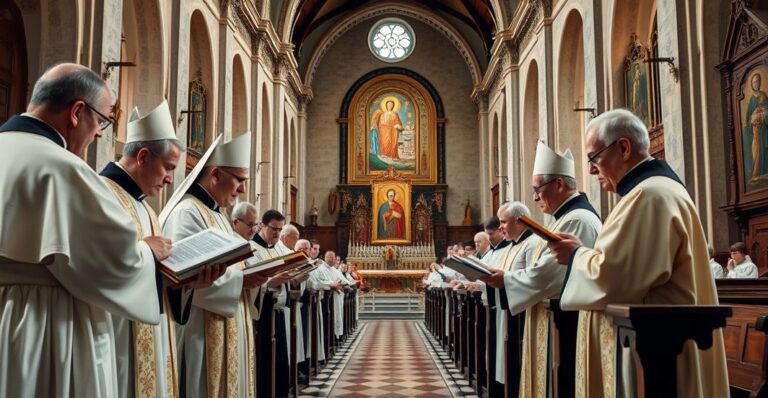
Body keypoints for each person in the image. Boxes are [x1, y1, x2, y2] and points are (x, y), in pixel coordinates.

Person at [0, 63, 170, 397]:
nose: (100, 133)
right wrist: (148, 251)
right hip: (46, 325)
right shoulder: (63, 168)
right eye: (102, 120)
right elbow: (112, 262)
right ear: (78, 111)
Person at [547, 109, 729, 397]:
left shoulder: (650, 197)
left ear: (623, 147)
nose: (592, 170)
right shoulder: (650, 192)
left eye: (594, 158)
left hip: (656, 356)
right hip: (653, 347)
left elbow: (614, 279)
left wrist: (576, 256)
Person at [102, 100, 224, 398]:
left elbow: (156, 278)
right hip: (118, 336)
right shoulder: (101, 194)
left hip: (154, 336)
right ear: (143, 156)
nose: (171, 179)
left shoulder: (147, 209)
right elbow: (100, 271)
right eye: (168, 167)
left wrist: (184, 284)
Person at [482, 141, 602, 398]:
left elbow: (552, 274)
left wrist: (508, 280)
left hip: (567, 320)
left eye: (538, 190)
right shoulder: (564, 219)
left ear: (559, 184)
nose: (535, 198)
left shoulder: (577, 219)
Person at [160, 132, 266, 397]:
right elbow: (185, 274)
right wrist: (242, 279)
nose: (242, 189)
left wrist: (251, 276)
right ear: (216, 174)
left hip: (226, 322)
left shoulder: (217, 214)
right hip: (200, 328)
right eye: (239, 180)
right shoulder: (188, 212)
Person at [251, 210, 296, 398]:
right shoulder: (252, 248)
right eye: (274, 229)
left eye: (280, 230)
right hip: (262, 314)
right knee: (266, 361)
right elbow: (251, 283)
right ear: (262, 225)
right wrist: (270, 283)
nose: (277, 234)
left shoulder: (277, 248)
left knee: (279, 358)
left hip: (277, 310)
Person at [745, 73, 768, 180]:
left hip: (763, 129)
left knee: (763, 149)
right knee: (755, 149)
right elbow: (748, 117)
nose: (756, 84)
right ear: (751, 84)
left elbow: (766, 111)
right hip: (754, 130)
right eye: (754, 82)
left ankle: (763, 172)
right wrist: (752, 119)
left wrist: (762, 115)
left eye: (758, 81)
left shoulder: (763, 96)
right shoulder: (751, 99)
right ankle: (756, 172)